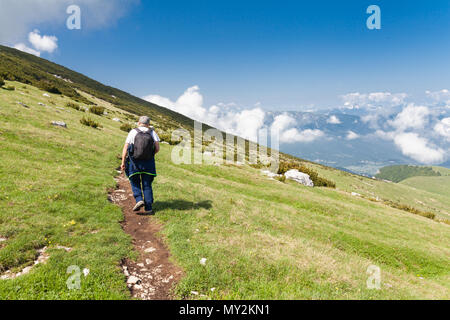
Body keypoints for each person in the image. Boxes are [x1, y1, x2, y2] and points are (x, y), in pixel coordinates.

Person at [121, 116, 160, 214]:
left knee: (134, 181)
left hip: (135, 162)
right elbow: (157, 148)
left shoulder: (133, 132)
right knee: (147, 185)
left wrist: (123, 162)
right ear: (148, 124)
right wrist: (151, 155)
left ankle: (139, 199)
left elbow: (126, 147)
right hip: (149, 163)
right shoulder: (152, 132)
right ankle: (149, 209)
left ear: (139, 123)